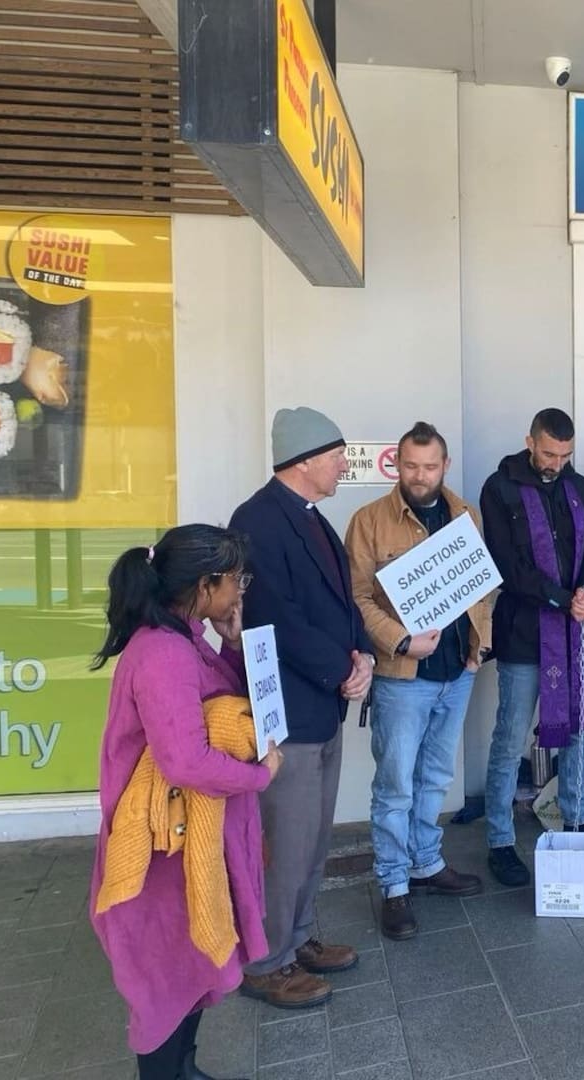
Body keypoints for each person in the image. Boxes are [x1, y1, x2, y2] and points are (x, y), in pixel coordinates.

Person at [90, 526, 282, 1080]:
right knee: (165, 982)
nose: (241, 591)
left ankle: (185, 1069)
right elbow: (185, 761)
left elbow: (222, 696)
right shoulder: (162, 653)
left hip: (186, 836)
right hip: (161, 854)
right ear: (205, 585)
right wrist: (259, 775)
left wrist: (233, 638)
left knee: (190, 969)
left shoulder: (185, 635)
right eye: (235, 581)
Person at [231, 407, 371, 1006]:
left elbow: (341, 603)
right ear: (306, 460)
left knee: (313, 836)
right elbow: (275, 618)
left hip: (323, 705)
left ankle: (299, 936)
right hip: (289, 712)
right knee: (285, 840)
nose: (345, 463)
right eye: (338, 454)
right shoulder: (257, 521)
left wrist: (361, 652)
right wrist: (342, 667)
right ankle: (265, 962)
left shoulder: (311, 516)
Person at [345, 421, 489, 941]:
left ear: (444, 465)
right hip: (403, 676)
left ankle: (426, 863)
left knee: (434, 779)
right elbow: (357, 599)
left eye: (430, 466)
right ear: (397, 465)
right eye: (411, 466)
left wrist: (480, 648)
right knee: (395, 786)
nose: (420, 476)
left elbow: (481, 586)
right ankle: (393, 885)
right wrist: (400, 640)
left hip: (457, 673)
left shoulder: (464, 514)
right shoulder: (369, 522)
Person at [479, 408, 584, 886]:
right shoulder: (500, 488)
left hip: (574, 632)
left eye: (566, 455)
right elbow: (504, 563)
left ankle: (576, 822)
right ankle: (500, 840)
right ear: (529, 442)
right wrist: (562, 597)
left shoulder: (581, 490)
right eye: (549, 453)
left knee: (578, 732)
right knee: (509, 739)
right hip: (523, 633)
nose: (556, 463)